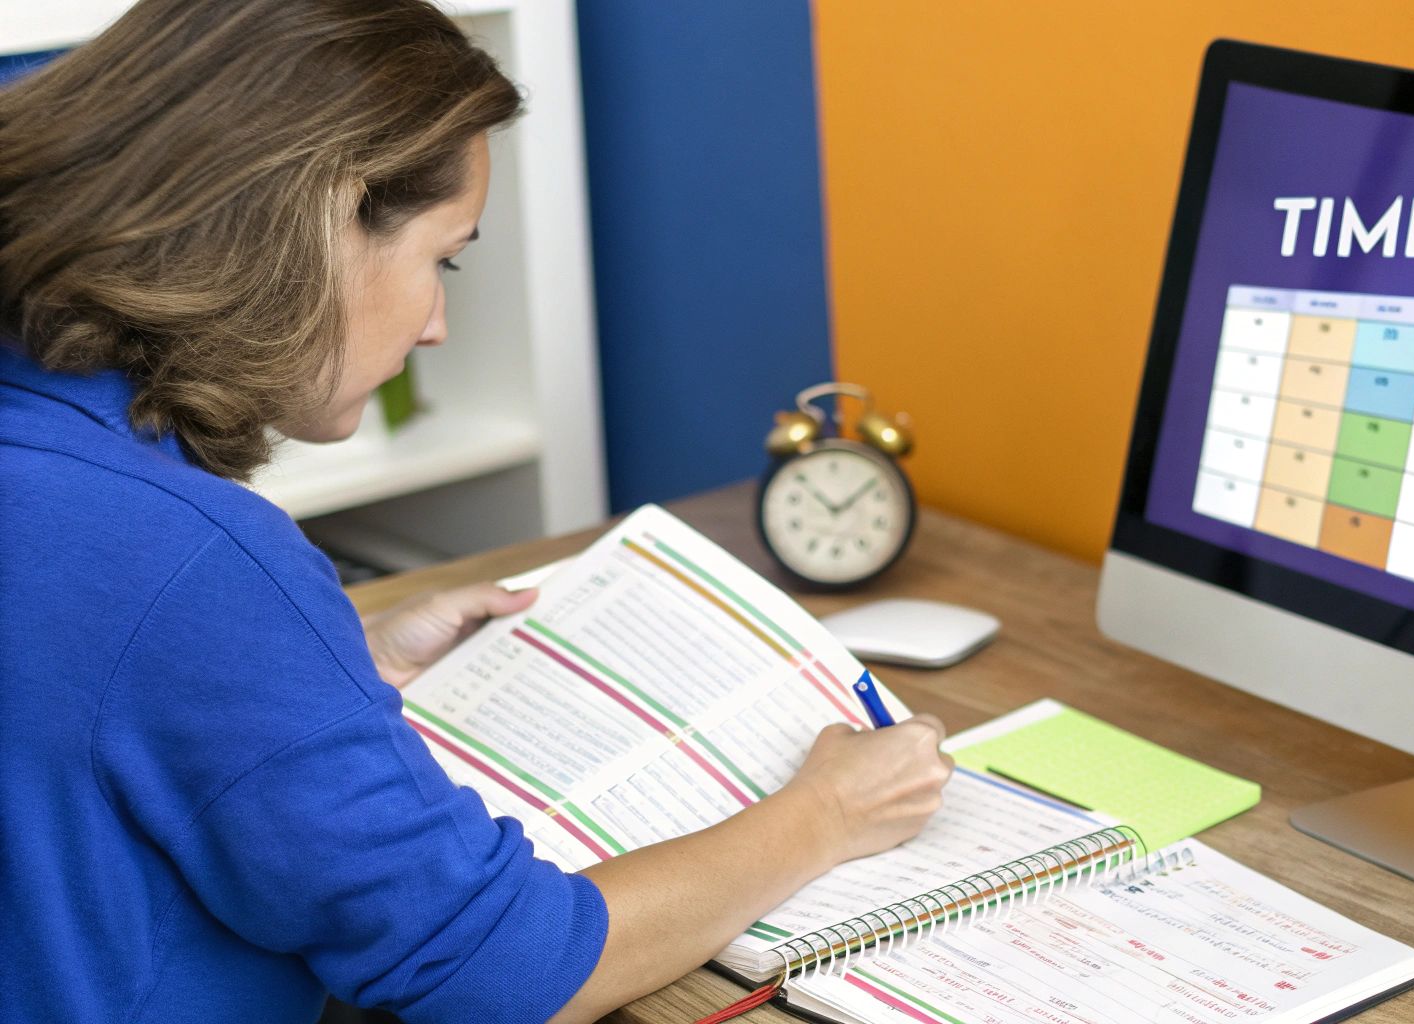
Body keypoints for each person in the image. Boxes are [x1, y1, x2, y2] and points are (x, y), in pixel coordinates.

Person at [0, 2, 954, 1022]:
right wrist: (822, 814)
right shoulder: (191, 558)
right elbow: (495, 975)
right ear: (323, 219)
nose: (438, 324)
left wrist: (329, 661)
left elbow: (71, 680)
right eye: (442, 259)